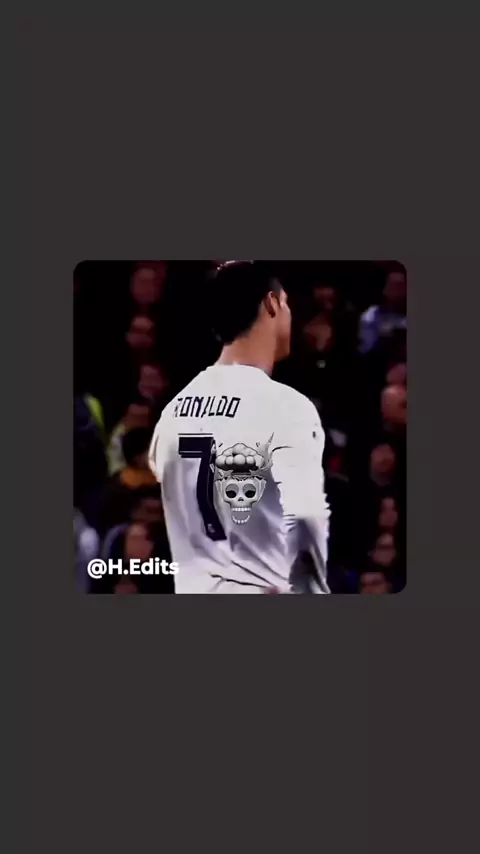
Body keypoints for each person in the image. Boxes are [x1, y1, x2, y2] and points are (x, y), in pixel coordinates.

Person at [149, 260, 330, 594]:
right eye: (286, 303)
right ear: (272, 303)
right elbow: (305, 518)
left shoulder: (172, 412)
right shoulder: (286, 406)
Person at [359, 263, 407, 354]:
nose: (399, 290)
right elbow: (368, 349)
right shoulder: (371, 316)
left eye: (402, 286)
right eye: (394, 286)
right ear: (385, 289)